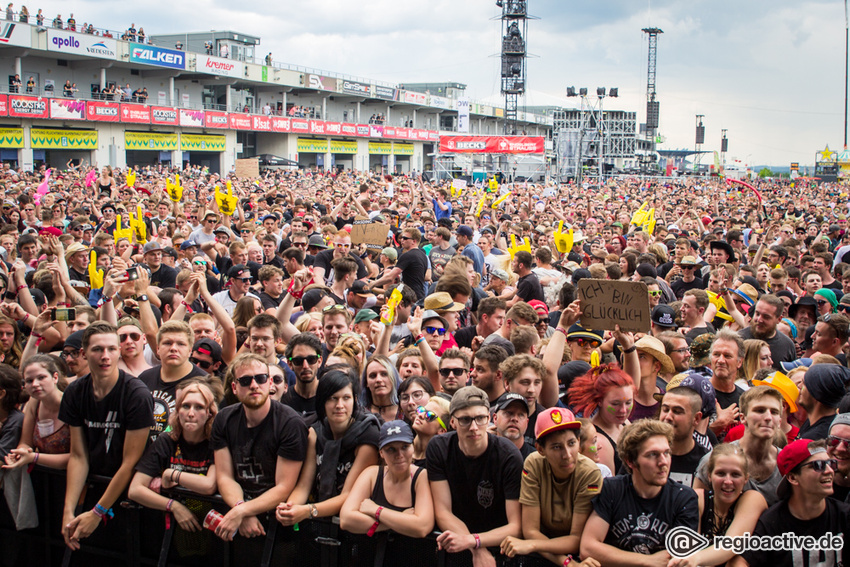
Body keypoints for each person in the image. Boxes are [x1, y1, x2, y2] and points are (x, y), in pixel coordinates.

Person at [58, 322, 154, 550]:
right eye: (97, 349)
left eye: (111, 349)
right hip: (94, 485)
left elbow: (130, 462)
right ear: (83, 353)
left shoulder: (136, 394)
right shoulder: (75, 392)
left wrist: (98, 512)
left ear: (119, 351)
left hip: (129, 493)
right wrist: (68, 511)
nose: (105, 356)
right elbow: (79, 456)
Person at [210, 353, 307, 559]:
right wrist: (240, 509)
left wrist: (242, 511)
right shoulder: (223, 419)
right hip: (238, 516)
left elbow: (283, 487)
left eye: (260, 378)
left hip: (278, 525)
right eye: (245, 381)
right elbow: (225, 476)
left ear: (270, 383)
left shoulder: (290, 423)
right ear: (235, 388)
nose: (254, 385)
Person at [426, 386, 522, 567]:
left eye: (480, 418)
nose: (473, 427)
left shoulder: (508, 455)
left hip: (498, 549)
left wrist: (474, 541)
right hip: (456, 543)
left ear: (489, 418)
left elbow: (515, 526)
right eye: (465, 420)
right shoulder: (439, 448)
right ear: (452, 422)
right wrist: (475, 548)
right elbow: (443, 511)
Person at [580, 420, 699, 564]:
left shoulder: (684, 498)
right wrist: (647, 561)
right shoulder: (612, 490)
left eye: (666, 453)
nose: (663, 462)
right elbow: (588, 548)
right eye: (652, 455)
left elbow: (677, 557)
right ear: (630, 461)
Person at [276, 370, 379, 529]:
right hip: (319, 520)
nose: (339, 406)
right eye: (333, 399)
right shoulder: (315, 432)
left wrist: (307, 511)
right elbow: (304, 485)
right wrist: (290, 507)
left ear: (355, 400)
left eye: (346, 398)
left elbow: (348, 495)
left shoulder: (368, 437)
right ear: (322, 402)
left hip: (353, 527)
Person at [500, 407, 603, 567]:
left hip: (567, 550)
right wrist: (567, 564)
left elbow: (576, 539)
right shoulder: (533, 463)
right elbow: (531, 530)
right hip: (543, 550)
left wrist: (533, 545)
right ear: (541, 449)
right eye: (556, 447)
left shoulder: (590, 474)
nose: (567, 454)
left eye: (571, 443)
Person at [733, 439, 850, 567]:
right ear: (793, 478)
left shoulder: (844, 515)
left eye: (831, 463)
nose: (829, 471)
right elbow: (739, 562)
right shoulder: (772, 522)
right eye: (818, 465)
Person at [128, 380, 219, 535]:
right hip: (170, 529)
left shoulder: (216, 442)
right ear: (178, 411)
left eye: (199, 407)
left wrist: (172, 475)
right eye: (186, 406)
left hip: (210, 528)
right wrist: (173, 506)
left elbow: (209, 485)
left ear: (209, 413)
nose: (191, 413)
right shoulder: (167, 440)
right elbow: (135, 490)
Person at [339, 420, 435, 565]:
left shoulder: (422, 477)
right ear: (381, 453)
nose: (399, 454)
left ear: (413, 449)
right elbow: (346, 520)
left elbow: (422, 527)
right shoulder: (372, 474)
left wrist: (376, 511)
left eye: (404, 447)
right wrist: (401, 521)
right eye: (391, 449)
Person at [668, 444, 768, 567]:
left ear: (746, 478)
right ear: (709, 476)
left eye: (735, 474)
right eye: (721, 473)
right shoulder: (696, 499)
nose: (728, 481)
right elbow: (686, 550)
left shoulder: (753, 499)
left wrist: (694, 559)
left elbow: (731, 545)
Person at [695, 386, 784, 507]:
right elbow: (696, 508)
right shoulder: (715, 460)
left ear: (779, 421)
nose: (768, 417)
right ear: (743, 418)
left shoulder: (786, 465)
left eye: (774, 412)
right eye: (760, 410)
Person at [139, 320, 207, 442]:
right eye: (167, 343)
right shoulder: (144, 379)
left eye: (181, 344)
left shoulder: (205, 383)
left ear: (190, 350)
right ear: (158, 349)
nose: (173, 348)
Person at [3, 356, 70, 472]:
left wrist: (34, 457)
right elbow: (25, 442)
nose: (35, 384)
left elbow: (77, 458)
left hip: (69, 477)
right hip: (43, 476)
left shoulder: (72, 405)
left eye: (41, 378)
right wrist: (20, 453)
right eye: (29, 381)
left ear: (55, 377)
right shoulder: (34, 402)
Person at [568, 364, 634, 475]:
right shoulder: (599, 441)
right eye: (615, 404)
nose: (623, 410)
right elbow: (610, 488)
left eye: (628, 403)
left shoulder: (624, 423)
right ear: (600, 401)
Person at [659, 386, 710, 486]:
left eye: (677, 411)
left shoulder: (706, 462)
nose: (668, 417)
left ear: (696, 418)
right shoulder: (644, 454)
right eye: (665, 410)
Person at [739, 294, 797, 370]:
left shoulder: (787, 345)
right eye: (757, 314)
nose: (759, 319)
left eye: (766, 317)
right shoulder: (739, 339)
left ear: (779, 319)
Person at [797, 363, 850, 440]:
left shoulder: (816, 438)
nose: (799, 386)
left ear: (816, 393)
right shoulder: (812, 422)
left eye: (804, 383)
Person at [491, 392, 534, 458]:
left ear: (527, 422)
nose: (515, 419)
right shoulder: (482, 453)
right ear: (495, 418)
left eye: (521, 415)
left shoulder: (535, 460)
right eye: (509, 413)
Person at [411, 395, 449, 466]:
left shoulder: (440, 463)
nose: (421, 415)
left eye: (429, 415)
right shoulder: (402, 447)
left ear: (442, 431)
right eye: (421, 410)